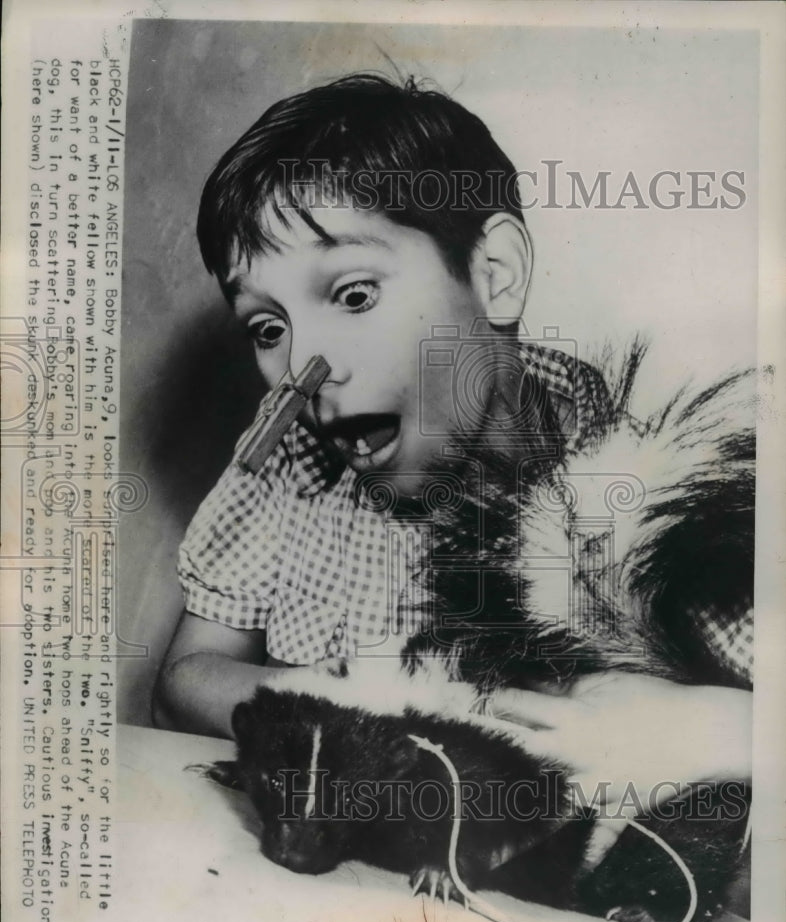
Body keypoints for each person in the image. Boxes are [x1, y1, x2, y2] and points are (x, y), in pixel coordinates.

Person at [152, 74, 751, 813]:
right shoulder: (286, 461)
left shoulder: (651, 492)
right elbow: (181, 684)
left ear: (493, 273)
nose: (308, 370)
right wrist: (320, 701)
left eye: (354, 296)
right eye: (268, 329)